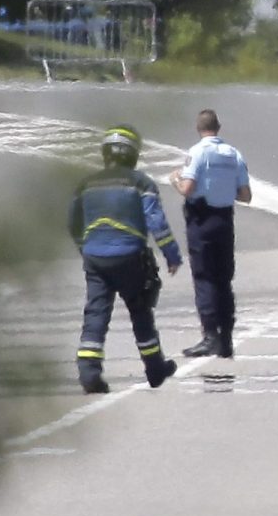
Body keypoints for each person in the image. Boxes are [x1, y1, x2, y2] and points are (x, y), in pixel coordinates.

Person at [69, 124, 180, 394]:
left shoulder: (85, 184)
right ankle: (155, 369)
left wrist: (85, 249)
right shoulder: (141, 183)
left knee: (95, 313)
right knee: (141, 311)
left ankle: (89, 373)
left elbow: (73, 223)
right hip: (130, 257)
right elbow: (156, 222)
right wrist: (172, 254)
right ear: (133, 154)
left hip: (95, 258)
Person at [174, 108, 252, 359]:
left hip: (202, 219)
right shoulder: (233, 154)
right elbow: (245, 196)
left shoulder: (197, 153)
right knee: (223, 278)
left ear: (199, 128)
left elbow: (187, 188)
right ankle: (226, 338)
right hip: (224, 219)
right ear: (219, 127)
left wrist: (175, 179)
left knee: (204, 276)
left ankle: (210, 336)